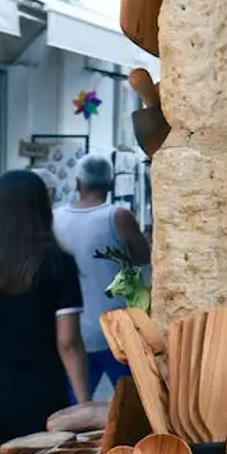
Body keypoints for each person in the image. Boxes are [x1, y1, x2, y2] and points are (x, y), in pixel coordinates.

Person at [0, 170, 90, 442]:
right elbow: (68, 342)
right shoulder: (58, 263)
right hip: (39, 392)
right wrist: (83, 403)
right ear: (42, 207)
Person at [53, 156, 151, 399]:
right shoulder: (118, 217)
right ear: (110, 185)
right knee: (135, 406)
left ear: (78, 184)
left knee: (73, 412)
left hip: (70, 330)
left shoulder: (54, 218)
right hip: (116, 332)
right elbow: (144, 258)